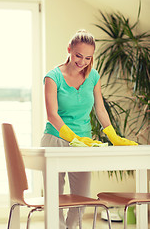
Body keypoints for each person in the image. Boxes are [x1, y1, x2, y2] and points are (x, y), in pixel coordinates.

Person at [41, 30, 138, 229]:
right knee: (55, 196)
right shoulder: (53, 78)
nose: (82, 61)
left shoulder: (93, 76)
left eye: (88, 57)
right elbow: (52, 114)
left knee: (82, 197)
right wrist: (71, 137)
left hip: (84, 143)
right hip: (55, 139)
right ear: (69, 49)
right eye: (78, 55)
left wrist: (113, 135)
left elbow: (100, 108)